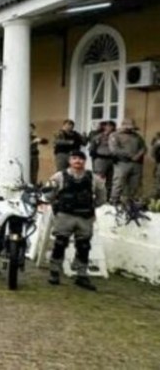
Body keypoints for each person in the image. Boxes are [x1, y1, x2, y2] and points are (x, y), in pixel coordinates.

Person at [44, 150, 107, 291]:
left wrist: (91, 206)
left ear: (85, 161)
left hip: (85, 217)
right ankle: (54, 272)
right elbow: (48, 193)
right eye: (74, 158)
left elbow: (102, 196)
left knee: (84, 246)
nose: (78, 161)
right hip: (65, 215)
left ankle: (82, 275)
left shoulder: (93, 178)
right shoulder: (59, 176)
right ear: (69, 161)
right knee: (60, 243)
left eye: (81, 159)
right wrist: (57, 205)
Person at [109, 119, 146, 207]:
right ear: (123, 126)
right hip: (122, 163)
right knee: (118, 183)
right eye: (128, 127)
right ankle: (114, 201)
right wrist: (129, 155)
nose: (130, 129)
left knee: (135, 184)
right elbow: (114, 150)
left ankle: (131, 202)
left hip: (136, 164)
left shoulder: (136, 136)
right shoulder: (115, 135)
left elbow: (143, 147)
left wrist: (138, 155)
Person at [89, 121, 116, 197]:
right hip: (101, 159)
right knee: (99, 178)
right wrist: (94, 159)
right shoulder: (98, 137)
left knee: (111, 180)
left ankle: (108, 197)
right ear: (105, 127)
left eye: (111, 126)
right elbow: (92, 149)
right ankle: (96, 195)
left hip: (112, 159)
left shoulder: (116, 137)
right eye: (108, 126)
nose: (110, 128)